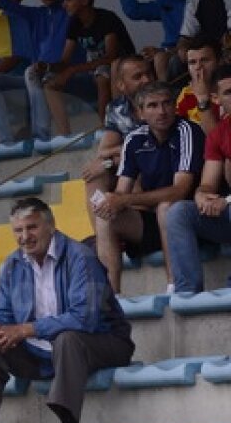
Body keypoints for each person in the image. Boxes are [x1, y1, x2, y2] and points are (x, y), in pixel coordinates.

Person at [0, 199, 134, 423]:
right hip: (45, 353)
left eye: (32, 227)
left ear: (51, 226)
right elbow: (2, 314)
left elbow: (85, 319)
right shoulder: (12, 264)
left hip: (102, 343)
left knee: (67, 338)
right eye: (18, 230)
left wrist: (25, 330)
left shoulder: (81, 257)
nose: (24, 237)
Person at [92, 82, 203, 293]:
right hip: (155, 222)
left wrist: (124, 200)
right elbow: (122, 191)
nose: (161, 111)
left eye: (166, 103)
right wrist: (111, 202)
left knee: (166, 207)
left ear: (174, 106)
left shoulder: (187, 131)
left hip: (192, 219)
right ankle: (111, 296)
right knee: (105, 217)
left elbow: (180, 190)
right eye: (153, 105)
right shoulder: (134, 140)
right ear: (140, 113)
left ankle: (174, 286)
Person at [26, 0, 135, 136]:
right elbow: (65, 61)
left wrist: (72, 70)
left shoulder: (107, 19)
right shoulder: (74, 23)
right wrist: (47, 66)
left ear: (84, 0)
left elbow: (110, 57)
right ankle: (65, 136)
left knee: (102, 75)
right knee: (50, 84)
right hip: (92, 73)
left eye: (69, 0)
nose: (64, 5)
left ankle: (105, 130)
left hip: (118, 73)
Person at [0, 0, 70, 144]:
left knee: (31, 71)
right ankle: (6, 142)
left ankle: (40, 137)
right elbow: (0, 2)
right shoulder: (36, 15)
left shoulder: (69, 10)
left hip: (62, 74)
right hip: (35, 79)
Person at [165, 64, 231, 293]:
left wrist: (227, 200)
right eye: (229, 92)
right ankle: (188, 294)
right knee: (178, 212)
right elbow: (208, 183)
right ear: (216, 98)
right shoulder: (219, 134)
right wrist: (202, 196)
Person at [80, 55, 154, 226]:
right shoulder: (116, 108)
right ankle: (101, 232)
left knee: (131, 171)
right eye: (138, 76)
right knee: (94, 176)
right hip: (129, 163)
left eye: (149, 74)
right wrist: (111, 160)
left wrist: (115, 159)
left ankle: (143, 229)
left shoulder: (162, 102)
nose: (146, 80)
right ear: (121, 85)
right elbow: (104, 151)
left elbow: (151, 149)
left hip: (158, 165)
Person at [115, 0, 195, 81]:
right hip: (164, 55)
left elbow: (199, 41)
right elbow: (133, 11)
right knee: (117, 65)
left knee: (160, 58)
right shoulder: (166, 1)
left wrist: (164, 52)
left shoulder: (200, 1)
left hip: (182, 57)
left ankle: (163, 93)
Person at [175, 37, 223, 133]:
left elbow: (218, 139)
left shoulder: (228, 91)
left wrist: (202, 98)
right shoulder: (186, 94)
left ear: (219, 62)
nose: (198, 67)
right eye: (192, 62)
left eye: (205, 60)